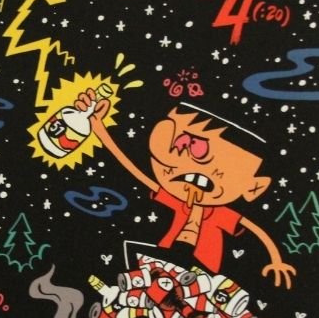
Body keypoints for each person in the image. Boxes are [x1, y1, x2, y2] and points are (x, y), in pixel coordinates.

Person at [77, 92, 295, 288]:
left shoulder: (220, 214)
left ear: (253, 187)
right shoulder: (180, 201)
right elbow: (137, 172)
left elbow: (257, 230)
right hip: (165, 257)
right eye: (180, 143)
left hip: (201, 267)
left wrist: (276, 260)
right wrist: (100, 130)